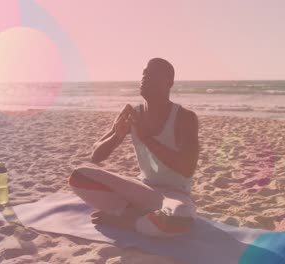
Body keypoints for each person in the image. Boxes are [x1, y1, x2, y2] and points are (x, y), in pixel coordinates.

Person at [68, 58, 199, 237]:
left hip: (174, 195)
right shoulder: (133, 114)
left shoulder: (185, 118)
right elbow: (96, 156)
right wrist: (117, 135)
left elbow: (187, 168)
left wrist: (147, 139)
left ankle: (128, 221)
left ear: (169, 82)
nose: (145, 77)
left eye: (152, 74)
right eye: (144, 73)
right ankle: (138, 214)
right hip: (142, 189)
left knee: (180, 218)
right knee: (78, 177)